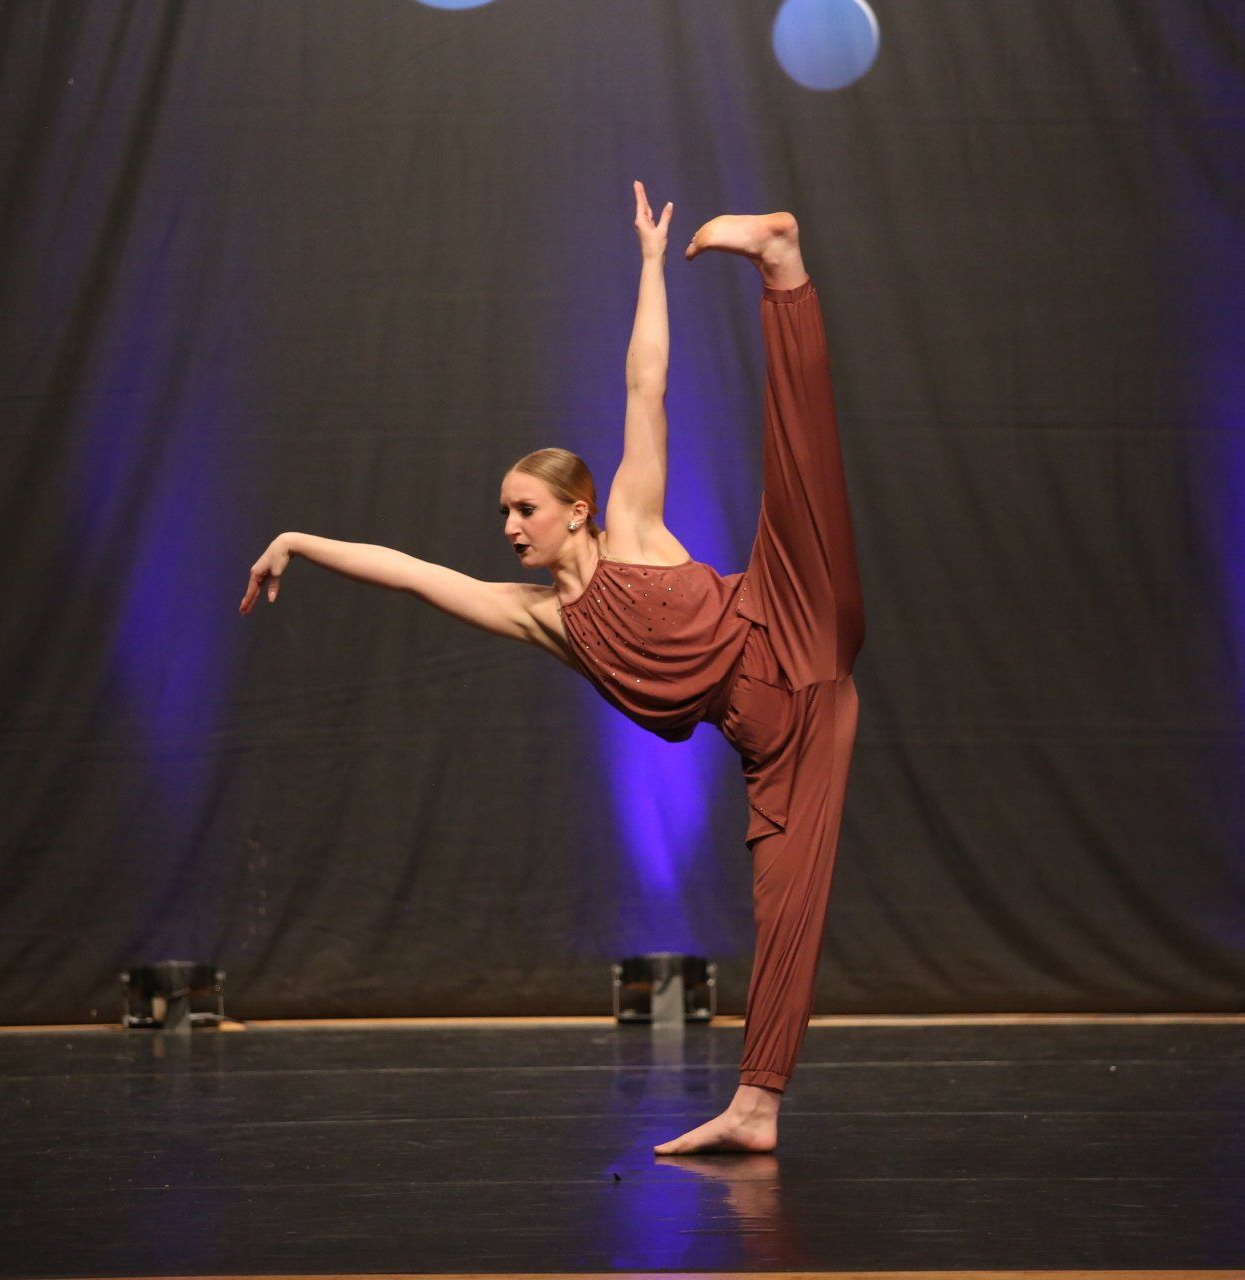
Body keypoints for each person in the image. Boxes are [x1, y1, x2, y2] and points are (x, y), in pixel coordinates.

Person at [241, 181, 863, 1155]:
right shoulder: (544, 620)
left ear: (574, 507)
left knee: (801, 469)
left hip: (785, 618)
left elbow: (644, 384)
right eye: (502, 513)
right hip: (783, 745)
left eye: (522, 507)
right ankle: (756, 1106)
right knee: (785, 908)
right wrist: (299, 538)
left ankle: (781, 264)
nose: (508, 526)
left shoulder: (633, 524)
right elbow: (415, 575)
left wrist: (653, 265)